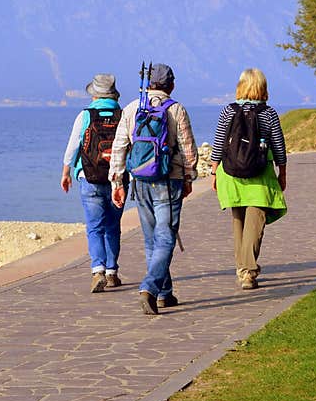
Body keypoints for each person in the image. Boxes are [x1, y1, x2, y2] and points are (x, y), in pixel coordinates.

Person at [109, 63, 198, 315]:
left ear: (148, 84)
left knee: (151, 240)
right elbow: (189, 150)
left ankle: (164, 293)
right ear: (171, 84)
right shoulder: (176, 110)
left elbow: (119, 148)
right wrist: (189, 178)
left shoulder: (131, 108)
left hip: (140, 182)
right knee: (166, 237)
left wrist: (117, 182)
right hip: (169, 181)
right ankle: (149, 288)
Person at [209, 68, 287, 290]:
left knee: (239, 221)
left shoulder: (228, 111)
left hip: (231, 173)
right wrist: (283, 172)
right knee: (256, 221)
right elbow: (279, 146)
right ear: (262, 88)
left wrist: (214, 172)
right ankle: (248, 272)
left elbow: (219, 143)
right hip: (260, 173)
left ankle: (242, 269)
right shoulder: (268, 113)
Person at [61, 73, 125, 294]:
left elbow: (73, 145)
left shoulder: (85, 115)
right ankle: (112, 272)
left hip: (89, 178)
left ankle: (97, 269)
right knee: (113, 226)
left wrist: (66, 171)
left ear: (94, 94)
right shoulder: (122, 114)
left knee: (94, 226)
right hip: (117, 179)